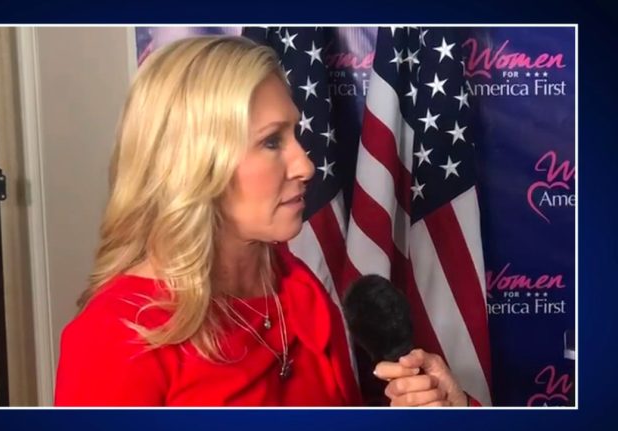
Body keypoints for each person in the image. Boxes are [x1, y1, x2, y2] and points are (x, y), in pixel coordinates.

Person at [54, 35, 474, 407]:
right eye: (272, 141)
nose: (305, 165)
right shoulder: (114, 335)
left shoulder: (298, 288)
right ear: (194, 162)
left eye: (294, 135)